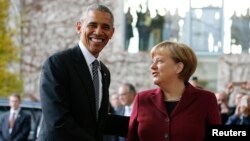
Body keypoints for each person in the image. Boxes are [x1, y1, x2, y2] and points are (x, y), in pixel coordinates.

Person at [37, 4, 128, 141]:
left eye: (105, 27)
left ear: (112, 33)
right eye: (92, 25)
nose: (98, 32)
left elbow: (99, 120)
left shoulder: (103, 72)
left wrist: (146, 124)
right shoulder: (57, 64)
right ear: (79, 27)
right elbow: (58, 121)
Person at [126, 41, 221, 141]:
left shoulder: (205, 100)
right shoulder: (142, 99)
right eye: (152, 61)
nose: (152, 66)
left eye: (159, 61)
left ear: (178, 67)